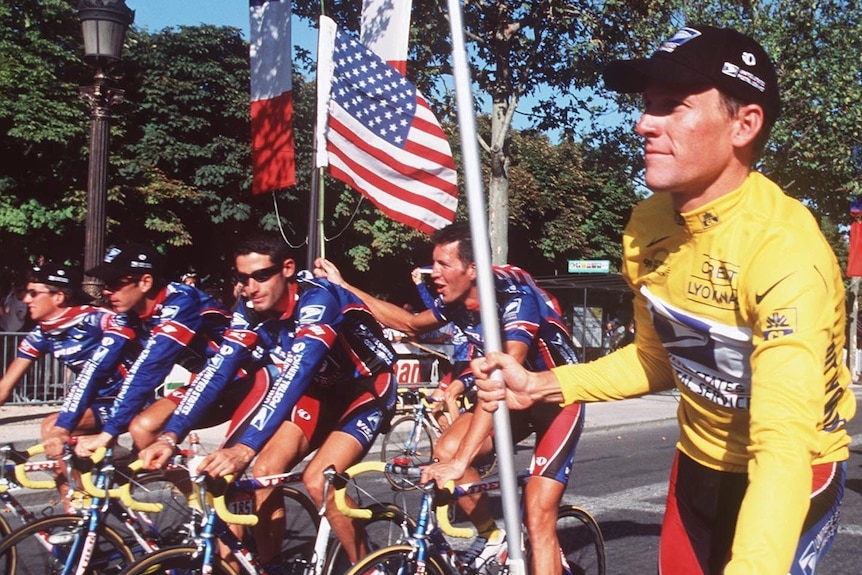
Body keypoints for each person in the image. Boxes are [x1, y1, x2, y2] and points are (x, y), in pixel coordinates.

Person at [472, 25, 856, 575]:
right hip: (696, 464)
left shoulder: (787, 253)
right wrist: (541, 383)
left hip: (792, 471)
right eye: (647, 105)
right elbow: (657, 361)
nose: (642, 123)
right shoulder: (647, 224)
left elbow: (781, 447)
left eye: (673, 107)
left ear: (744, 124)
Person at [314, 222, 583, 575]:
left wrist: (462, 462)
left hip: (555, 400)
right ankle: (491, 538)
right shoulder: (456, 302)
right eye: (433, 263)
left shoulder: (516, 299)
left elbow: (502, 377)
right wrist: (345, 288)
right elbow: (410, 324)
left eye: (443, 264)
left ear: (472, 269)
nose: (433, 273)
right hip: (510, 400)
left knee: (538, 518)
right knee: (445, 450)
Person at [140, 233, 398, 570]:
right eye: (243, 278)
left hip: (365, 386)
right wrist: (170, 434)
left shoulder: (318, 300)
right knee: (264, 473)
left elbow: (298, 371)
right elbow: (216, 372)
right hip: (320, 390)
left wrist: (244, 447)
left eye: (261, 275)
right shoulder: (249, 310)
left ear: (287, 269)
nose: (251, 287)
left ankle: (367, 565)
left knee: (319, 479)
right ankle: (272, 566)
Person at [74, 243, 231, 456]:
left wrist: (109, 432)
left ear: (145, 282)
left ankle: (203, 487)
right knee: (142, 432)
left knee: (144, 427)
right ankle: (188, 488)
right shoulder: (132, 314)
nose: (106, 291)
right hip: (209, 381)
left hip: (241, 379)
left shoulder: (181, 301)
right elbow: (100, 365)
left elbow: (152, 366)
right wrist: (66, 421)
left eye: (114, 283)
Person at [0, 262, 140, 500]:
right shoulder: (42, 334)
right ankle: (76, 515)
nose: (26, 300)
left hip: (126, 401)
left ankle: (82, 501)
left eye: (34, 293)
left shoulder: (97, 320)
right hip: (90, 404)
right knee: (58, 454)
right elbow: (5, 387)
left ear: (59, 297)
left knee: (52, 429)